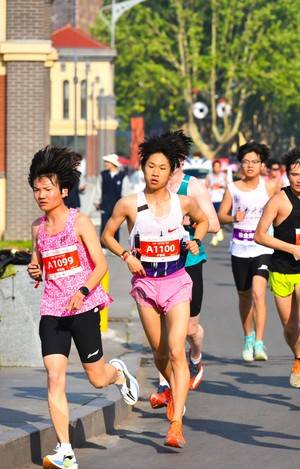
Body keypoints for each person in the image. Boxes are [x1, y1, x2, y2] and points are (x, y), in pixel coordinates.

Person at [27, 146, 139, 468]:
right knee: (54, 377)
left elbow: (101, 265)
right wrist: (35, 270)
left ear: (63, 190)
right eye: (37, 189)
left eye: (47, 189)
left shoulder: (80, 222)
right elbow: (39, 263)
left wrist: (83, 290)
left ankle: (118, 374)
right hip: (52, 310)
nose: (41, 195)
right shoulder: (37, 228)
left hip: (83, 307)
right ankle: (65, 450)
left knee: (97, 378)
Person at [102, 130, 209, 448]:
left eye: (162, 167)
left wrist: (195, 240)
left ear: (172, 170)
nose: (155, 172)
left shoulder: (183, 203)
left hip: (176, 282)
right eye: (150, 166)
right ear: (142, 167)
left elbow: (202, 220)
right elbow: (107, 235)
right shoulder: (129, 205)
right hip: (146, 285)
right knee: (160, 354)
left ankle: (176, 424)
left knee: (176, 351)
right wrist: (126, 256)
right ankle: (174, 390)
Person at [148, 157, 222, 409]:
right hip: (161, 264)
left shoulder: (192, 187)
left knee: (190, 330)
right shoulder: (152, 188)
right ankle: (164, 384)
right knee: (165, 329)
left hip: (189, 262)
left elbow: (214, 224)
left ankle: (196, 358)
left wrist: (186, 221)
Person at [254, 148, 300, 406]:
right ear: (287, 175)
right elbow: (260, 235)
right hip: (281, 271)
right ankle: (298, 357)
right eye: (294, 174)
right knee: (291, 328)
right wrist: (291, 248)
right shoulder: (279, 200)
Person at [218, 142, 278, 362]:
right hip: (239, 248)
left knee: (258, 293)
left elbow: (281, 210)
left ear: (262, 164)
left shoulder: (270, 186)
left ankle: (260, 342)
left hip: (263, 247)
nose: (250, 165)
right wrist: (234, 217)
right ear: (240, 164)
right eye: (246, 162)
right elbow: (221, 215)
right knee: (244, 295)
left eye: (255, 161)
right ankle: (248, 337)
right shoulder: (233, 188)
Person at [96, 154, 128, 242]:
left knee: (115, 226)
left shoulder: (123, 176)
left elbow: (126, 191)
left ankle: (115, 244)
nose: (105, 164)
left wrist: (125, 205)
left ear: (113, 163)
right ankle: (103, 245)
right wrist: (97, 201)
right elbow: (98, 189)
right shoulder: (103, 175)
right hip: (105, 204)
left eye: (107, 162)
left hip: (117, 205)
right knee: (104, 225)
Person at [206, 159, 227, 246]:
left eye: (218, 167)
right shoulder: (209, 176)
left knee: (219, 217)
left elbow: (227, 186)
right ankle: (214, 236)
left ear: (220, 167)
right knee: (213, 218)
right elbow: (205, 186)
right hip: (212, 199)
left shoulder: (223, 176)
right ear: (213, 167)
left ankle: (219, 230)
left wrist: (220, 186)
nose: (216, 168)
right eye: (215, 166)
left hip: (220, 199)